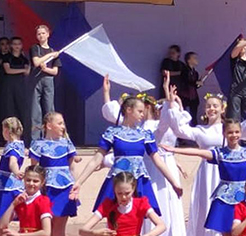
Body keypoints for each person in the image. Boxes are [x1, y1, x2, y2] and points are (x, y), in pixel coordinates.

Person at [101, 72, 186, 236]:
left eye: (147, 106)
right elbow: (116, 116)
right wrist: (106, 93)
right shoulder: (133, 128)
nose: (145, 110)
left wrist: (170, 99)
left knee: (152, 211)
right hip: (140, 169)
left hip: (151, 170)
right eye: (142, 107)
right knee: (130, 213)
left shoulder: (154, 127)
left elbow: (167, 123)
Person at [70, 85, 183, 216]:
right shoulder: (113, 133)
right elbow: (96, 159)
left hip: (138, 181)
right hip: (118, 181)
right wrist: (79, 182)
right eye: (139, 111)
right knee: (115, 217)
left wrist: (174, 182)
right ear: (129, 110)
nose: (142, 114)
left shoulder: (144, 134)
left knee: (137, 218)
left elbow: (157, 160)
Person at [167, 93, 224, 236]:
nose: (211, 109)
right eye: (208, 106)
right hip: (207, 175)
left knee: (224, 215)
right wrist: (175, 105)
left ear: (222, 108)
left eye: (215, 105)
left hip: (225, 172)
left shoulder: (228, 129)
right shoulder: (200, 130)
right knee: (206, 213)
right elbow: (179, 129)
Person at [29, 112, 79, 236]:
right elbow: (34, 170)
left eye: (63, 123)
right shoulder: (38, 145)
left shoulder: (67, 144)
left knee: (58, 230)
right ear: (49, 125)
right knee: (46, 228)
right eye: (59, 123)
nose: (63, 127)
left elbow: (72, 167)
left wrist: (76, 186)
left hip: (64, 189)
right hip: (46, 189)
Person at [29, 25, 61, 143]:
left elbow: (55, 71)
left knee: (49, 109)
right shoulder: (35, 48)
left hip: (48, 80)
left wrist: (46, 69)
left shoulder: (53, 51)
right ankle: (35, 139)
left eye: (43, 33)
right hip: (36, 81)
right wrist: (49, 56)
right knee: (35, 111)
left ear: (48, 34)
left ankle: (51, 137)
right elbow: (36, 62)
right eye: (39, 34)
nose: (41, 36)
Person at [1, 37, 30, 135]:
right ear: (11, 46)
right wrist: (22, 70)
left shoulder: (24, 59)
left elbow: (27, 71)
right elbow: (8, 70)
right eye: (14, 44)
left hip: (20, 86)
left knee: (21, 109)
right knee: (9, 109)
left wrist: (24, 70)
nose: (17, 46)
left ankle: (22, 135)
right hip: (9, 86)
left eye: (19, 44)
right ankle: (8, 134)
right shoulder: (7, 57)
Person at [181, 51, 202, 125]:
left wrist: (199, 84)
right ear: (189, 60)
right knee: (184, 115)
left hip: (193, 97)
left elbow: (195, 86)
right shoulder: (184, 71)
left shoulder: (195, 73)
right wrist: (195, 82)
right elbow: (185, 81)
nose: (197, 60)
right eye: (194, 58)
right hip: (185, 96)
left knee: (194, 116)